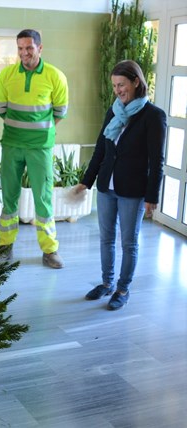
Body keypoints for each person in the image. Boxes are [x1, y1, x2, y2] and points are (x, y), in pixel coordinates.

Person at [75, 60, 166, 310]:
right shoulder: (114, 110)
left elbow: (157, 160)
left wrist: (152, 197)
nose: (118, 90)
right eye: (115, 85)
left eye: (122, 84)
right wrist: (86, 181)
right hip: (107, 187)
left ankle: (123, 289)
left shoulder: (153, 116)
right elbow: (101, 149)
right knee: (106, 238)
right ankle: (106, 283)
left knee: (129, 242)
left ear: (136, 82)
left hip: (133, 190)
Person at [0, 29, 69, 269]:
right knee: (9, 198)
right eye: (20, 48)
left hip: (40, 148)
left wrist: (40, 132)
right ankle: (5, 246)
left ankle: (50, 250)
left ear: (40, 48)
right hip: (12, 145)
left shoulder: (55, 76)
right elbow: (0, 108)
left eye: (29, 48)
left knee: (43, 200)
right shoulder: (6, 76)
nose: (24, 53)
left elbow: (60, 112)